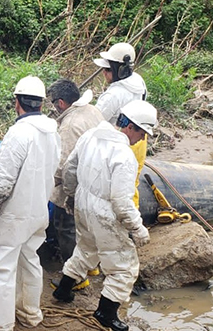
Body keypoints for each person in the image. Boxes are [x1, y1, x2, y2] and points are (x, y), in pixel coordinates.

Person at [53, 100, 157, 331]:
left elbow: (70, 167)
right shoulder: (125, 157)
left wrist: (71, 196)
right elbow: (121, 202)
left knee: (86, 248)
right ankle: (105, 313)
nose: (142, 139)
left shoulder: (92, 135)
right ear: (130, 126)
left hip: (83, 202)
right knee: (124, 267)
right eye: (142, 132)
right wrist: (137, 228)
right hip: (105, 214)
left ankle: (63, 289)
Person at [0, 76, 61, 330]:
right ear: (41, 104)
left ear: (17, 102)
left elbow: (3, 180)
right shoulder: (52, 132)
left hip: (14, 215)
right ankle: (29, 313)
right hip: (38, 212)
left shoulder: (18, 133)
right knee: (29, 260)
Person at [47, 79, 103, 266]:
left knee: (66, 228)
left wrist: (45, 184)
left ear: (61, 103)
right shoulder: (92, 110)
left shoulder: (69, 125)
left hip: (76, 186)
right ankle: (91, 266)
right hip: (96, 180)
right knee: (87, 229)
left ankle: (72, 272)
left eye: (53, 103)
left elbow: (63, 166)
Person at [93, 42, 149, 207]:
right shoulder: (139, 82)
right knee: (132, 184)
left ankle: (123, 221)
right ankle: (133, 217)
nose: (104, 72)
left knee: (113, 184)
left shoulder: (114, 95)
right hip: (140, 141)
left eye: (108, 69)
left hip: (119, 143)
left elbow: (94, 120)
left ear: (120, 70)